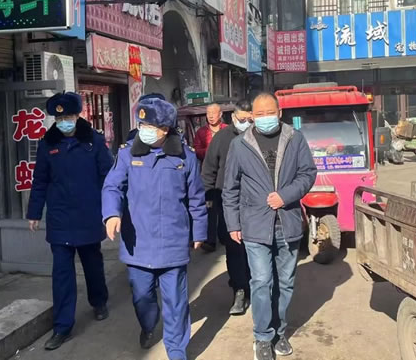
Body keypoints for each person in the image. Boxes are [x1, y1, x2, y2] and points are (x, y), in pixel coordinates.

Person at [102, 97, 207, 360]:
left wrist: (199, 231)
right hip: (138, 243)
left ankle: (177, 350)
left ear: (165, 129)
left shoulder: (185, 157)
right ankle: (148, 325)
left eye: (150, 126)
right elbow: (113, 186)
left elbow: (196, 197)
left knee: (176, 302)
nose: (144, 130)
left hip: (173, 242)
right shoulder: (127, 154)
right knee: (142, 296)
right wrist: (111, 214)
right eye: (142, 125)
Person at [222, 93, 317, 360]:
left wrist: (285, 196)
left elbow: (308, 173)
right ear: (252, 116)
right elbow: (230, 187)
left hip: (287, 222)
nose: (265, 118)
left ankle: (279, 332)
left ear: (279, 112)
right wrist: (232, 223)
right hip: (254, 224)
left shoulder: (295, 139)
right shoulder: (240, 144)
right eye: (259, 114)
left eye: (269, 113)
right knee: (262, 281)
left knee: (285, 282)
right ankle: (263, 337)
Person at [26, 92, 113, 351]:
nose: (64, 122)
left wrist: (111, 211)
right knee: (62, 274)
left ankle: (99, 301)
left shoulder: (94, 141)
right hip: (60, 217)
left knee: (92, 264)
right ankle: (62, 326)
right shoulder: (48, 143)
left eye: (68, 117)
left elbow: (108, 178)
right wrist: (34, 212)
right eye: (59, 118)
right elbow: (40, 180)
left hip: (88, 215)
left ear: (78, 116)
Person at [202, 99, 253, 315]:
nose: (246, 123)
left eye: (250, 119)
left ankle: (259, 287)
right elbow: (209, 170)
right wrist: (208, 198)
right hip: (228, 203)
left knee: (256, 248)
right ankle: (240, 290)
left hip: (257, 204)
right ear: (233, 117)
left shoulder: (260, 136)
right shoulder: (222, 138)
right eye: (242, 119)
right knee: (234, 249)